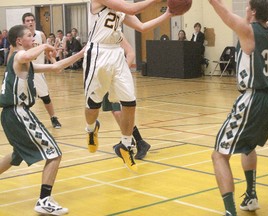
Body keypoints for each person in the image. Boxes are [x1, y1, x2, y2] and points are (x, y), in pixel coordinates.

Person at [208, 0, 268, 216]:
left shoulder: (248, 30)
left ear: (253, 11)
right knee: (247, 146)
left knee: (219, 155)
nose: (245, 10)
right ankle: (250, 196)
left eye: (248, 7)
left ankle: (230, 212)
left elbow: (225, 15)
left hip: (255, 99)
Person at [0, 24, 84, 215]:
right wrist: (46, 46)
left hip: (11, 115)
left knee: (16, 155)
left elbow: (56, 67)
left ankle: (44, 200)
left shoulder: (25, 63)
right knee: (54, 153)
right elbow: (27, 55)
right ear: (19, 41)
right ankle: (44, 200)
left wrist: (82, 53)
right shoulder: (19, 55)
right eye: (30, 36)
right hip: (18, 113)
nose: (34, 38)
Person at [84, 0, 173, 172]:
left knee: (129, 102)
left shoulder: (120, 9)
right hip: (98, 53)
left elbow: (142, 27)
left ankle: (125, 145)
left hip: (116, 53)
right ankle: (91, 128)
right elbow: (131, 8)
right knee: (92, 105)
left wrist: (167, 14)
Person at [102, 36, 151, 160]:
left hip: (116, 78)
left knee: (120, 112)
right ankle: (129, 139)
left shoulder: (115, 33)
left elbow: (131, 53)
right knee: (114, 111)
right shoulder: (97, 35)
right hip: (104, 76)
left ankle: (137, 141)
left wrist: (122, 72)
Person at [22, 13, 62, 128]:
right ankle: (25, 121)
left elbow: (47, 52)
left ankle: (53, 118)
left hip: (39, 71)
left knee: (45, 97)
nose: (30, 22)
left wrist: (55, 63)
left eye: (32, 20)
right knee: (24, 98)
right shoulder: (21, 36)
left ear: (35, 22)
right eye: (27, 20)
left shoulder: (41, 35)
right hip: (25, 71)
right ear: (24, 23)